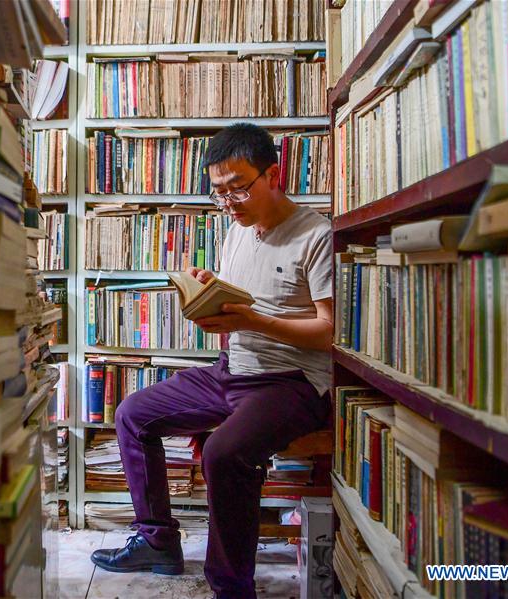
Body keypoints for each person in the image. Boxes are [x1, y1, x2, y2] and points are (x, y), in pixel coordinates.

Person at [90, 123, 334, 599]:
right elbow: (242, 299)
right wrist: (209, 289)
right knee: (132, 414)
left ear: (274, 175)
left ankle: (231, 586)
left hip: (292, 383)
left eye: (238, 188)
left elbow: (329, 333)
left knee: (224, 454)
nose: (228, 202)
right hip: (232, 372)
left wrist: (252, 322)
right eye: (219, 192)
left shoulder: (316, 235)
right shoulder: (236, 233)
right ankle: (157, 541)